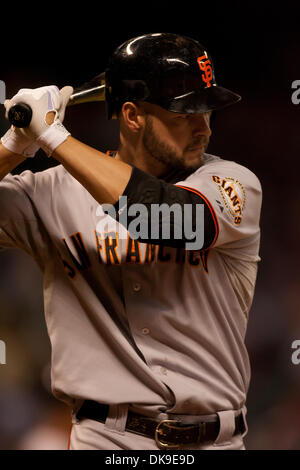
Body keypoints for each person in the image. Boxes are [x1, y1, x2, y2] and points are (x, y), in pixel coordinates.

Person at [0, 33, 262, 450]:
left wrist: (54, 139)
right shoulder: (50, 192)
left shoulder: (231, 183)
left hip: (216, 442)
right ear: (133, 116)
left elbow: (172, 220)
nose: (203, 126)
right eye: (185, 113)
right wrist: (12, 146)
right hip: (105, 440)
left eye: (207, 110)